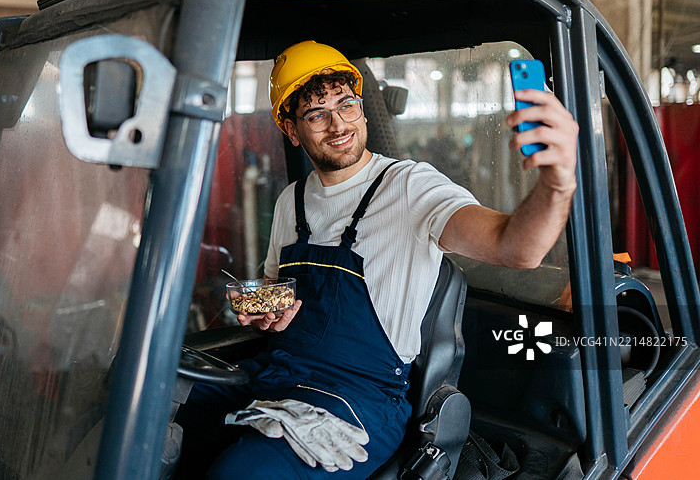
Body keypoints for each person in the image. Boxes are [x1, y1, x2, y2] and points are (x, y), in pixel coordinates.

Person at [176, 41, 578, 479]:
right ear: (291, 131)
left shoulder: (409, 187)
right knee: (154, 401)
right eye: (316, 114)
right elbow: (275, 289)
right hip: (278, 374)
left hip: (360, 399)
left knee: (240, 473)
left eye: (347, 105)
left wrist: (558, 182)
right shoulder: (293, 200)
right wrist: (259, 308)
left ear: (363, 109)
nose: (337, 124)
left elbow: (516, 248)